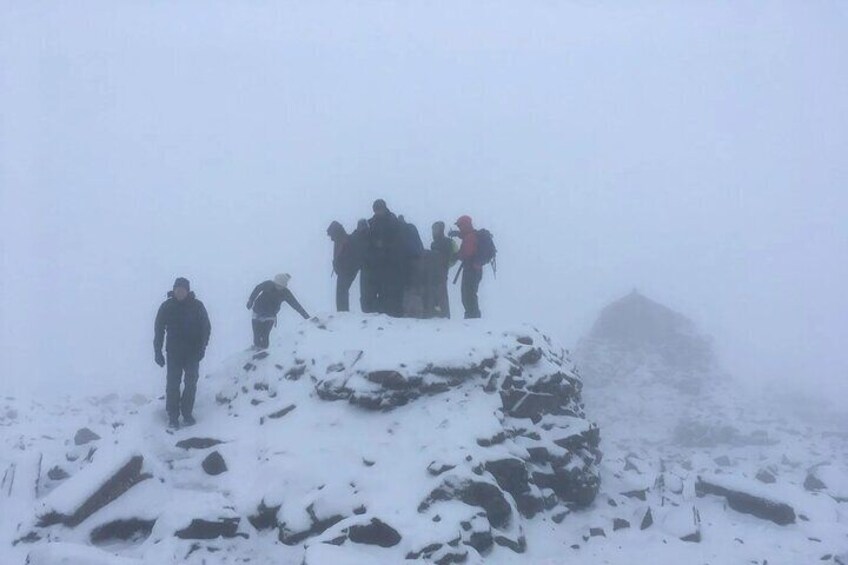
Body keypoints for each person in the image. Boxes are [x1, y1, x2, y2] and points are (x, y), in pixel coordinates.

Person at [154, 277, 211, 429]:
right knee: (172, 385)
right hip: (173, 353)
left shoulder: (197, 306)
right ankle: (173, 417)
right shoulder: (167, 306)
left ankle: (187, 414)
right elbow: (159, 330)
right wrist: (157, 352)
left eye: (183, 290)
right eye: (177, 290)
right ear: (174, 290)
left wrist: (203, 347)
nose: (180, 292)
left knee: (190, 384)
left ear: (187, 290)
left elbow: (206, 327)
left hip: (193, 353)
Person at [246, 273, 310, 349]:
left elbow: (296, 305)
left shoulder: (286, 293)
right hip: (257, 312)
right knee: (256, 335)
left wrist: (307, 317)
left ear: (284, 286)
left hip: (270, 316)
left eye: (281, 286)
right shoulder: (268, 284)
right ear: (274, 282)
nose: (278, 287)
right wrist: (250, 301)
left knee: (265, 335)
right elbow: (257, 289)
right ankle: (256, 350)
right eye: (277, 285)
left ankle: (263, 353)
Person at [366, 199, 404, 316]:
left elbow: (398, 241)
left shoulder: (392, 221)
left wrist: (385, 246)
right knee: (376, 290)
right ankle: (379, 313)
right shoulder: (371, 222)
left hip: (390, 262)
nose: (377, 212)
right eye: (376, 210)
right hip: (376, 262)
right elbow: (368, 240)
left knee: (388, 290)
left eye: (379, 209)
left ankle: (388, 313)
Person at [327, 221, 365, 312]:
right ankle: (343, 312)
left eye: (331, 235)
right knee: (341, 292)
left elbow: (346, 257)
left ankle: (343, 313)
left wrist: (340, 267)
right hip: (345, 270)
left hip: (346, 270)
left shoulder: (344, 241)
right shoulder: (342, 240)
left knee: (341, 292)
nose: (331, 238)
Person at [453, 215, 483, 319]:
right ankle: (473, 316)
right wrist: (457, 234)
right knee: (471, 294)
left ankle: (472, 318)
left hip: (471, 270)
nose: (459, 228)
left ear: (465, 225)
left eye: (460, 226)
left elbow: (466, 254)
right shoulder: (471, 235)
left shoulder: (469, 237)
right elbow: (464, 236)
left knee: (468, 295)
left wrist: (456, 255)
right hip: (476, 269)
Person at [429, 221, 456, 318]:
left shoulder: (444, 242)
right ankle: (440, 312)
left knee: (440, 291)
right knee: (439, 291)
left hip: (441, 270)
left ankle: (442, 313)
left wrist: (444, 265)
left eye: (435, 229)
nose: (433, 232)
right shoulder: (435, 243)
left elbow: (450, 257)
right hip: (439, 270)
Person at [353, 219, 372, 313]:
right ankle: (368, 312)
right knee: (366, 294)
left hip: (368, 268)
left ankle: (368, 312)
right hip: (367, 268)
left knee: (366, 294)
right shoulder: (370, 236)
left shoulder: (356, 237)